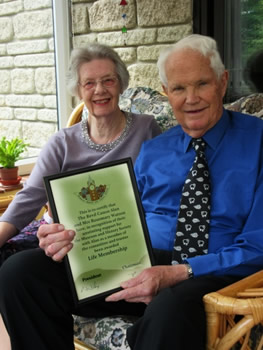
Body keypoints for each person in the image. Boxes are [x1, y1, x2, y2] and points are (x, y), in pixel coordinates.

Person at [1, 33, 263, 350]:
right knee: (21, 274)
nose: (191, 98)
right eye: (179, 88)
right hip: (139, 264)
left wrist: (180, 272)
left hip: (213, 270)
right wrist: (70, 235)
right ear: (167, 93)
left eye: (202, 84)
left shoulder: (258, 143)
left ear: (222, 83)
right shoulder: (153, 150)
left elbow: (257, 245)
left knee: (169, 310)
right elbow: (119, 220)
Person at [0, 43, 161, 349]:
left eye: (108, 80)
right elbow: (28, 198)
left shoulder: (147, 129)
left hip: (128, 256)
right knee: (16, 273)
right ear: (78, 90)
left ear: (121, 84)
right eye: (89, 83)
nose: (99, 90)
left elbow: (163, 191)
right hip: (75, 257)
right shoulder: (62, 143)